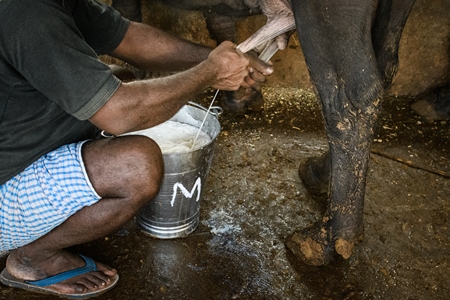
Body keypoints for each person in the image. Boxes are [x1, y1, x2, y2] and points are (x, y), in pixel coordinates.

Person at [0, 0, 273, 298]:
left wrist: (219, 58)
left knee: (121, 79)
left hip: (18, 143)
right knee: (136, 166)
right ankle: (33, 257)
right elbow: (119, 115)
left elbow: (128, 38)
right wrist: (208, 73)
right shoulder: (27, 13)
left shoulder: (57, 4)